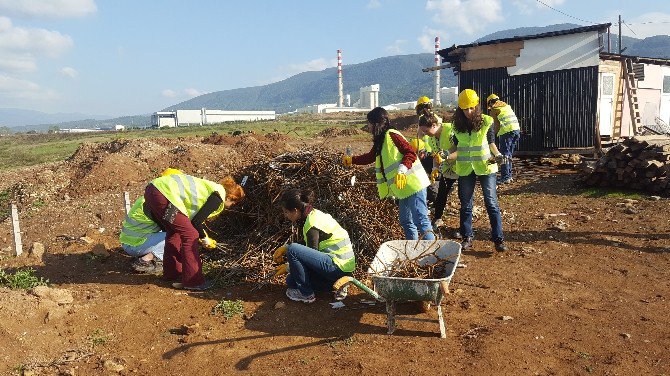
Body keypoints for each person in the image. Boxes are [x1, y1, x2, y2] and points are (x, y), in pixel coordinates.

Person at [143, 168, 245, 290]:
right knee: (191, 235)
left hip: (154, 191)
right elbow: (196, 222)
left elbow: (192, 221)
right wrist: (204, 238)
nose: (231, 206)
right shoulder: (218, 197)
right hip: (164, 194)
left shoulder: (211, 188)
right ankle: (193, 282)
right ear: (230, 197)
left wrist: (203, 235)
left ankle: (173, 274)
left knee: (174, 232)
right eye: (233, 203)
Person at [343, 107, 434, 241]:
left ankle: (435, 252)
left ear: (376, 123)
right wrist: (352, 160)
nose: (368, 126)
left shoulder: (392, 134)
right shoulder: (381, 140)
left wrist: (402, 170)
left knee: (420, 220)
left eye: (369, 123)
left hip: (414, 184)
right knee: (406, 221)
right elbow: (371, 156)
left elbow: (409, 152)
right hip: (403, 188)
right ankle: (412, 251)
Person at [445, 89, 508, 252]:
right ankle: (467, 237)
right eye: (465, 109)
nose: (469, 112)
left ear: (477, 106)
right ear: (460, 109)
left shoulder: (487, 121)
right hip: (466, 169)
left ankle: (498, 239)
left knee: (491, 203)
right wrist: (445, 155)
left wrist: (499, 155)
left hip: (486, 167)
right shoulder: (456, 126)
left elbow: (492, 143)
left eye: (472, 108)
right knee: (466, 204)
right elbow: (455, 146)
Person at [273, 188, 355, 303]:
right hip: (340, 267)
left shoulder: (311, 224)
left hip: (337, 266)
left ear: (295, 210)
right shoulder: (315, 214)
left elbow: (309, 258)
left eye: (286, 212)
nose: (285, 215)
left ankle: (306, 294)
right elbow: (309, 251)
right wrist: (285, 247)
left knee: (293, 250)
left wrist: (288, 265)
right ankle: (339, 284)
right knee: (291, 281)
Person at [417, 111, 460, 239]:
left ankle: (464, 228)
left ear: (434, 125)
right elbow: (437, 155)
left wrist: (446, 157)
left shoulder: (450, 130)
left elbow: (461, 150)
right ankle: (437, 218)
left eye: (426, 131)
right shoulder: (432, 137)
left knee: (464, 197)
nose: (425, 134)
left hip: (462, 167)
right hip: (448, 168)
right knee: (442, 193)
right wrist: (435, 168)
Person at [119, 196, 166, 274]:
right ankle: (146, 260)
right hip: (137, 245)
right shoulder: (158, 204)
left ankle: (148, 255)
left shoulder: (147, 198)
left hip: (129, 242)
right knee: (178, 236)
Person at [487, 94, 520, 184]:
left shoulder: (494, 108)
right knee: (508, 154)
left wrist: (492, 137)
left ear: (490, 102)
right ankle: (508, 176)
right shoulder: (506, 106)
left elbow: (496, 125)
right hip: (516, 131)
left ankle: (505, 177)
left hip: (506, 132)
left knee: (504, 155)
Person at [414, 96, 439, 204]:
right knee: (434, 176)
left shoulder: (423, 121)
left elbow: (419, 138)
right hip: (436, 153)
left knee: (427, 177)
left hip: (427, 154)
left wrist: (419, 151)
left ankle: (433, 198)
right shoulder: (436, 118)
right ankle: (436, 198)